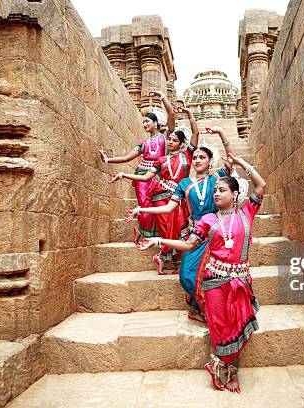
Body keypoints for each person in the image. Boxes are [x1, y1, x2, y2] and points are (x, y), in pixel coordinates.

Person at [138, 153, 266, 393]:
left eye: (222, 190)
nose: (216, 193)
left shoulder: (247, 212)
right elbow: (188, 245)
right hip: (214, 281)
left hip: (240, 281)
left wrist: (241, 164)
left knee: (237, 326)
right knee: (219, 326)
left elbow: (261, 185)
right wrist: (158, 240)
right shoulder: (208, 219)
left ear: (235, 194)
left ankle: (228, 365)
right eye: (215, 190)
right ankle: (224, 370)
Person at [129, 126, 234, 317]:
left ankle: (211, 311)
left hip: (217, 233)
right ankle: (198, 303)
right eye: (195, 158)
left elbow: (231, 159)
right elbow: (168, 208)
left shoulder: (217, 179)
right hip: (194, 234)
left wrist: (221, 133)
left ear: (210, 161)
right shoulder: (184, 184)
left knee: (217, 275)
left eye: (202, 157)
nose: (197, 160)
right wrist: (142, 209)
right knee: (186, 276)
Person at [109, 106, 199, 274]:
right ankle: (165, 257)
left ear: (181, 143)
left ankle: (170, 258)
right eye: (169, 139)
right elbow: (145, 178)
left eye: (173, 140)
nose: (170, 142)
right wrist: (124, 175)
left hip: (180, 197)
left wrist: (190, 114)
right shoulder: (161, 160)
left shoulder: (187, 155)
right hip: (161, 196)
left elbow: (195, 134)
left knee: (181, 227)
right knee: (166, 228)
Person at [98, 90, 175, 244]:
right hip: (141, 176)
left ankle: (147, 233)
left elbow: (172, 114)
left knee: (156, 206)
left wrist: (162, 97)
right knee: (145, 205)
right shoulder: (143, 143)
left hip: (159, 177)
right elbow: (127, 158)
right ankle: (144, 233)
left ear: (156, 123)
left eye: (147, 121)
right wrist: (107, 160)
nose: (145, 124)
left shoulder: (166, 138)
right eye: (144, 122)